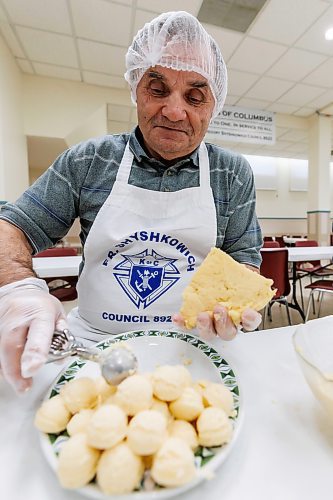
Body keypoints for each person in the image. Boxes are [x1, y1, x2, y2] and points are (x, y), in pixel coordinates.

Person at [0, 11, 262, 394]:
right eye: (158, 89)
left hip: (197, 352)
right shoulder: (89, 160)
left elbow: (245, 259)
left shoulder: (231, 172)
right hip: (91, 347)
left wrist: (237, 307)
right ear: (136, 88)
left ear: (213, 106)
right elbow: (12, 228)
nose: (174, 111)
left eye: (195, 96)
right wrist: (18, 289)